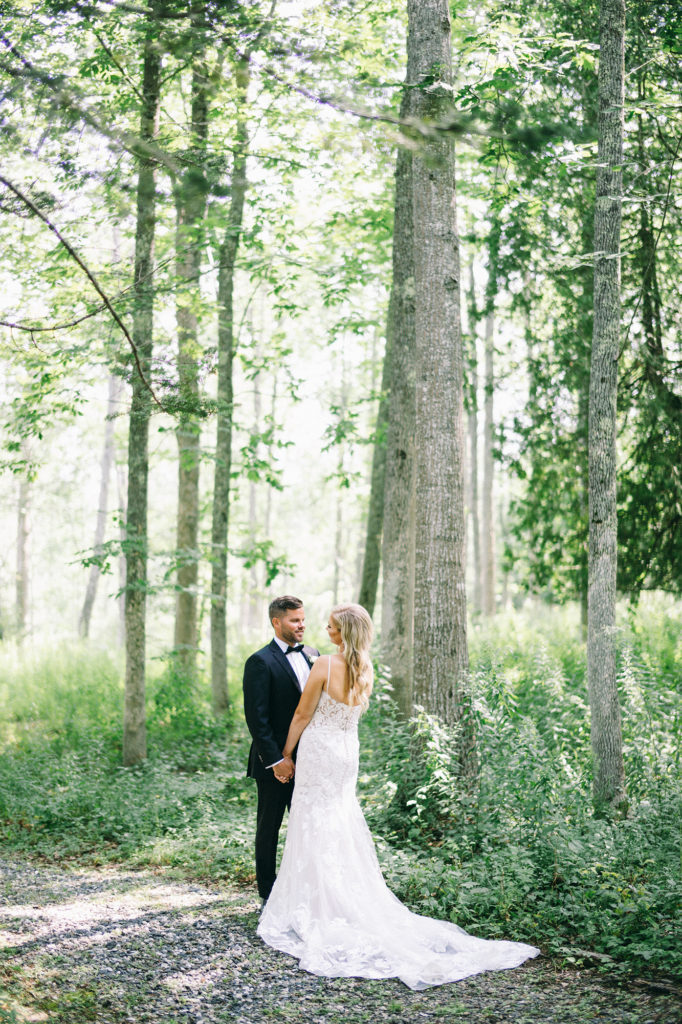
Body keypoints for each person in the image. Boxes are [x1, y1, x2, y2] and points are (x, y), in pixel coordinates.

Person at [257, 602, 540, 990]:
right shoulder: (365, 668)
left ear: (344, 632)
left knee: (312, 819)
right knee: (338, 817)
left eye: (331, 627)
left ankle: (316, 903)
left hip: (320, 750)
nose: (325, 630)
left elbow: (303, 716)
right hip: (346, 752)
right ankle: (336, 895)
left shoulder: (323, 665)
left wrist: (286, 753)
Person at [243, 595, 320, 903]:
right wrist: (276, 760)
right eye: (294, 620)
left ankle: (304, 888)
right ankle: (268, 893)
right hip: (274, 761)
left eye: (302, 618)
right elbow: (256, 719)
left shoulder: (314, 655)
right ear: (277, 622)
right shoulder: (260, 661)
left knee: (307, 826)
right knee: (269, 827)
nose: (301, 624)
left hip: (312, 758)